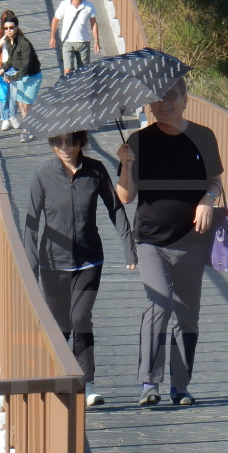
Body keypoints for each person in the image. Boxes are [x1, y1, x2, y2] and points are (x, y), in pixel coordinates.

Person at [116, 78, 223, 407]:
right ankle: (150, 382)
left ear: (185, 99)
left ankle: (181, 386)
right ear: (148, 105)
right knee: (159, 304)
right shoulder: (138, 141)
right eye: (156, 99)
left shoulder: (203, 137)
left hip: (192, 240)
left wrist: (208, 199)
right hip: (150, 240)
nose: (163, 104)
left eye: (170, 97)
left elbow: (216, 183)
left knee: (188, 315)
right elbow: (125, 195)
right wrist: (125, 165)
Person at [23, 131, 137, 405]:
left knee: (81, 318)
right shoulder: (42, 175)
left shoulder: (95, 170)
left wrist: (128, 245)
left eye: (71, 142)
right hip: (53, 263)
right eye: (57, 142)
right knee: (60, 325)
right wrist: (30, 266)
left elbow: (115, 208)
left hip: (89, 260)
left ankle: (86, 384)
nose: (64, 148)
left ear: (81, 142)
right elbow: (31, 222)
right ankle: (58, 379)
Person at [0, 12, 42, 142]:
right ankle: (30, 128)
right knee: (22, 104)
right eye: (6, 28)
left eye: (11, 28)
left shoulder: (24, 43)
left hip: (33, 76)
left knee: (27, 104)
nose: (9, 31)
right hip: (21, 77)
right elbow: (11, 61)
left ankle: (26, 130)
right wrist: (2, 70)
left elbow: (25, 66)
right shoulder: (10, 42)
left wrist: (13, 78)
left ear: (17, 28)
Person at [49, 0, 100, 74]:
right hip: (67, 42)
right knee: (68, 70)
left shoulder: (89, 6)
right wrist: (52, 37)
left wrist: (96, 41)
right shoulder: (64, 4)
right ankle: (67, 87)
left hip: (83, 42)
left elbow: (93, 23)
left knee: (83, 71)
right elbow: (55, 20)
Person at [0, 9, 20, 130]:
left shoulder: (18, 33)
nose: (8, 29)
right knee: (3, 95)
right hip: (2, 67)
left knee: (14, 94)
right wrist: (1, 41)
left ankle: (13, 116)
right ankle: (5, 119)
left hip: (14, 67)